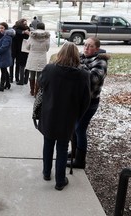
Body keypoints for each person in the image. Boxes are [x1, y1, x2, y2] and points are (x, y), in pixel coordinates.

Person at [38, 42, 91, 191]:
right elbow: (86, 100)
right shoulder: (83, 75)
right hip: (68, 117)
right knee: (62, 148)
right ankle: (60, 181)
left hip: (49, 113)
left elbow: (42, 85)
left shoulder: (49, 69)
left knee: (48, 144)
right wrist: (77, 116)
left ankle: (47, 173)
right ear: (76, 56)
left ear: (60, 54)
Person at [67, 37, 110, 169]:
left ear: (96, 48)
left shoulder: (101, 61)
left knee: (80, 128)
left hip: (90, 103)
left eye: (90, 46)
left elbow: (93, 78)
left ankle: (80, 160)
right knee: (74, 127)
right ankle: (74, 151)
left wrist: (79, 68)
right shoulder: (80, 56)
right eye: (85, 45)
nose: (86, 47)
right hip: (77, 101)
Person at [25, 22, 50, 96]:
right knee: (39, 76)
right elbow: (47, 48)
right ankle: (37, 92)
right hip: (42, 57)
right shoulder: (47, 36)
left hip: (32, 57)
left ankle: (32, 91)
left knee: (32, 75)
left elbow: (27, 47)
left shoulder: (32, 35)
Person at [0, 22, 15, 92]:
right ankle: (8, 84)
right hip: (2, 56)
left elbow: (4, 47)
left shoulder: (7, 36)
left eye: (2, 28)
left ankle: (1, 86)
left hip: (4, 56)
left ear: (5, 28)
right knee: (4, 70)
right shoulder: (2, 35)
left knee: (3, 71)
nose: (0, 29)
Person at [12, 18, 30, 85]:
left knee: (21, 64)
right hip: (16, 48)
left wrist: (25, 32)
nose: (25, 25)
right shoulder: (16, 28)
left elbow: (27, 37)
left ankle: (20, 79)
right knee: (15, 64)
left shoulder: (27, 28)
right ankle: (14, 78)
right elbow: (16, 32)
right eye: (24, 23)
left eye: (26, 23)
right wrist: (23, 32)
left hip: (23, 49)